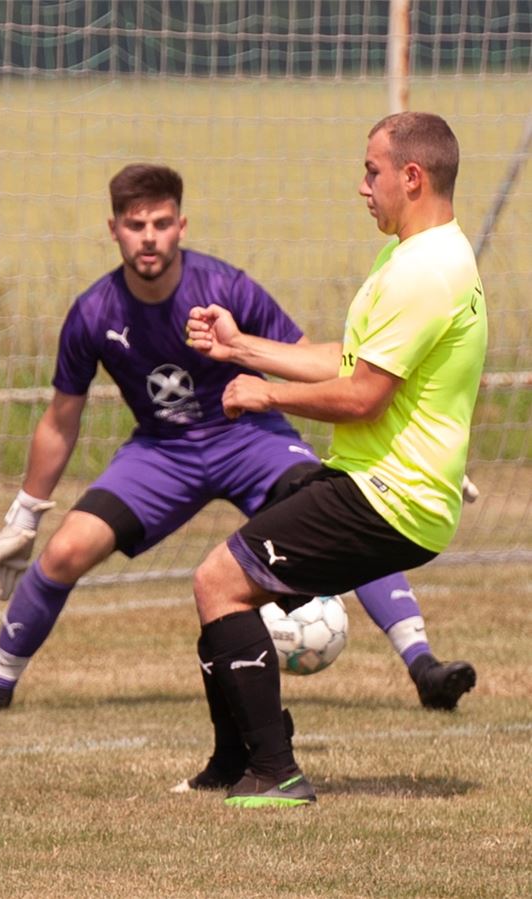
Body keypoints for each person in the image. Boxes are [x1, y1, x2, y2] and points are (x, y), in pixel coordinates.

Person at [0, 162, 477, 731]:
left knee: (347, 507)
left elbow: (320, 362)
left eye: (160, 223)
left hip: (249, 439)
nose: (148, 237)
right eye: (135, 224)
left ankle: (424, 665)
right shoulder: (94, 312)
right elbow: (62, 419)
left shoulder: (225, 287)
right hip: (162, 451)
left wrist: (404, 446)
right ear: (113, 229)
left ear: (181, 226)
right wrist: (26, 512)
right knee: (66, 551)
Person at [182, 111, 486, 806]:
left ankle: (273, 770)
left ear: (412, 176)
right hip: (382, 485)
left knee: (219, 582)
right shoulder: (414, 255)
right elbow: (345, 359)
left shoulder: (426, 272)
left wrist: (265, 395)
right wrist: (240, 346)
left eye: (372, 170)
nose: (362, 185)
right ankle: (237, 761)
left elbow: (361, 396)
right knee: (227, 583)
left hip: (390, 494)